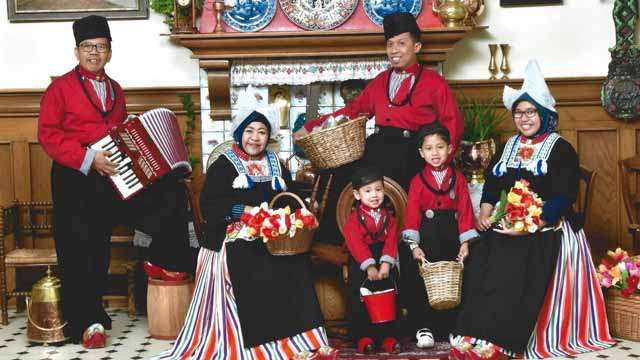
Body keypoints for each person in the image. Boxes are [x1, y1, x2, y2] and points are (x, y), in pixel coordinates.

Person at [38, 15, 191, 348]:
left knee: (169, 193)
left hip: (110, 177)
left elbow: (116, 131)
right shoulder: (59, 88)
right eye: (88, 47)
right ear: (77, 51)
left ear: (110, 51)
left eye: (101, 47)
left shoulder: (115, 89)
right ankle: (88, 322)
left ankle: (164, 260)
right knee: (82, 249)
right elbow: (48, 136)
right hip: (73, 178)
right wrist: (90, 159)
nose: (95, 52)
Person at [451, 60, 614, 359]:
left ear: (545, 114)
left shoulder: (561, 148)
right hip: (507, 225)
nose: (524, 118)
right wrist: (485, 214)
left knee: (516, 264)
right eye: (519, 113)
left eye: (531, 112)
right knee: (480, 255)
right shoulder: (508, 145)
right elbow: (491, 184)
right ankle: (476, 333)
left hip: (545, 226)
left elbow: (564, 196)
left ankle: (503, 340)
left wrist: (529, 222)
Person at [154, 110, 330, 359]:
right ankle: (261, 346)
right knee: (253, 258)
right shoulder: (224, 163)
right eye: (249, 131)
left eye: (262, 132)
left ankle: (301, 340)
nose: (255, 138)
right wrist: (243, 211)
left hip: (271, 232)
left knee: (295, 260)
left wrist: (303, 210)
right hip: (231, 232)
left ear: (269, 136)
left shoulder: (276, 162)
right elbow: (210, 206)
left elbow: (287, 196)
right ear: (239, 134)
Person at [293, 12, 463, 189]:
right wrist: (310, 127)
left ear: (417, 47)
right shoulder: (381, 80)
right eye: (390, 45)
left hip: (414, 154)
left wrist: (440, 161)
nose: (394, 50)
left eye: (401, 43)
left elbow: (453, 124)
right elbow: (352, 111)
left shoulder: (434, 82)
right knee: (334, 174)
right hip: (379, 150)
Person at [400, 122, 478, 348]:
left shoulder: (459, 179)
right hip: (426, 237)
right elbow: (413, 213)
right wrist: (414, 245)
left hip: (452, 236)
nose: (435, 153)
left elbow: (464, 212)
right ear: (421, 153)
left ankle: (453, 327)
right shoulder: (417, 181)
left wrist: (465, 243)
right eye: (429, 148)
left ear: (450, 148)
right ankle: (424, 326)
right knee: (422, 277)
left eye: (440, 147)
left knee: (455, 279)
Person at [342, 166, 401, 354]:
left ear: (384, 191)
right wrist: (369, 266)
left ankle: (388, 336)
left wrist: (385, 263)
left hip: (383, 259)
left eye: (378, 189)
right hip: (362, 262)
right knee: (360, 300)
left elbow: (392, 239)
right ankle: (363, 336)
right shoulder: (354, 220)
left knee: (389, 296)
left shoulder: (389, 218)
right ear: (357, 195)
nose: (374, 195)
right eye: (368, 191)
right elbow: (355, 243)